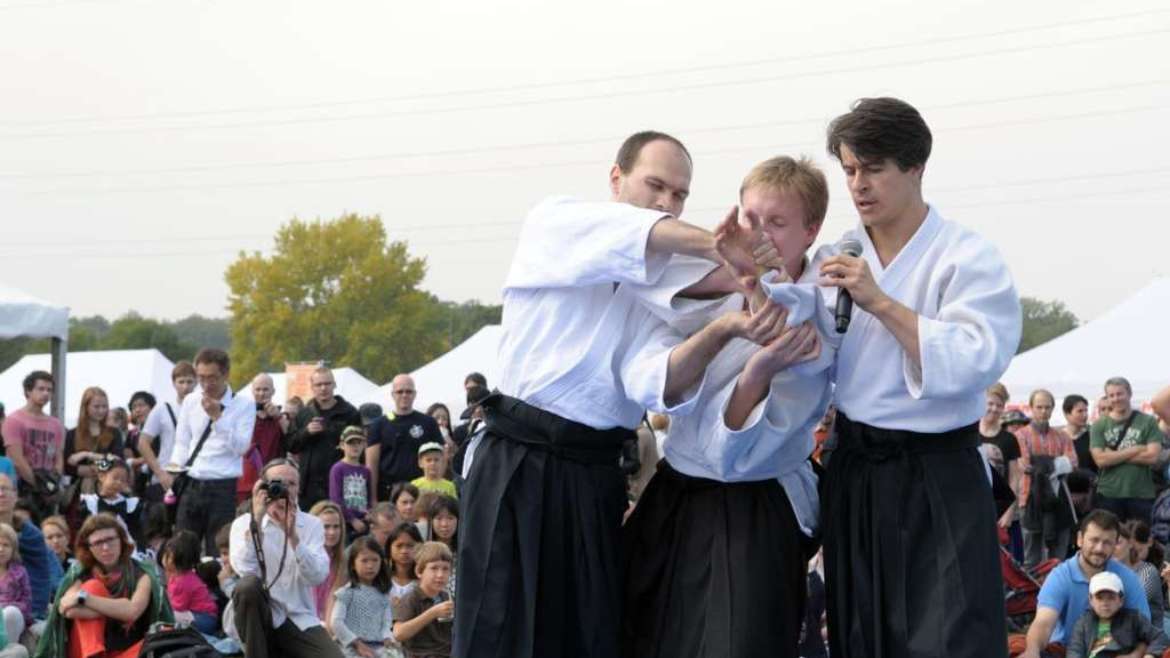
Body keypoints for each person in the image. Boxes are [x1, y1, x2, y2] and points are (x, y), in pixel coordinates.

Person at [454, 131, 767, 658]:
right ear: (616, 178)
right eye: (656, 185)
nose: (667, 202)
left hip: (594, 471)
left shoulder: (665, 289)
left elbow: (654, 382)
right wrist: (715, 245)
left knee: (586, 632)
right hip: (515, 461)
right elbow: (646, 233)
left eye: (680, 195)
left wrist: (720, 330)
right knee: (498, 627)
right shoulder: (554, 223)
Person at [813, 98, 1022, 658]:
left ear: (915, 167)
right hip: (857, 472)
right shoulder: (835, 256)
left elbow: (979, 356)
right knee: (864, 631)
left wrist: (880, 301)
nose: (859, 184)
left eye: (874, 168)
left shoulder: (966, 257)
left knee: (950, 634)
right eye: (850, 169)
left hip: (939, 474)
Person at [620, 154, 831, 658]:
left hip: (756, 502)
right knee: (646, 631)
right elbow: (654, 374)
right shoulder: (710, 283)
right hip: (678, 492)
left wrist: (756, 370)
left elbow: (745, 438)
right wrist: (732, 293)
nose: (759, 235)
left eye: (777, 224)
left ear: (811, 230)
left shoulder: (821, 302)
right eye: (750, 219)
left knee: (740, 642)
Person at [224, 459, 342, 658]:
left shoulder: (312, 524)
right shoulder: (244, 523)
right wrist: (258, 519)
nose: (285, 490)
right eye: (278, 484)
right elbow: (244, 569)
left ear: (299, 488)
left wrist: (293, 537)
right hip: (259, 616)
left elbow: (317, 576)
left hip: (298, 617)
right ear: (263, 487)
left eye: (292, 484)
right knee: (247, 586)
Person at [34, 513, 172, 658]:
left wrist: (85, 598)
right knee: (93, 586)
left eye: (110, 540)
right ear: (89, 548)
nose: (106, 548)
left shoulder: (141, 573)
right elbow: (67, 609)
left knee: (166, 636)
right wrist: (118, 610)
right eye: (98, 543)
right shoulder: (81, 573)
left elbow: (132, 611)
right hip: (84, 652)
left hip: (129, 652)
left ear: (121, 540)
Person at [1021, 509, 1150, 657]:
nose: (1099, 548)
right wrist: (1032, 651)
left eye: (1107, 543)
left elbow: (1144, 631)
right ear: (1080, 539)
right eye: (1094, 540)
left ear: (1115, 545)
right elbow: (1043, 623)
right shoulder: (1060, 577)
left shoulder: (1127, 578)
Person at [170, 348, 256, 556]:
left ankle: (214, 589)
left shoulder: (244, 404)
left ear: (225, 374)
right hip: (191, 482)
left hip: (223, 486)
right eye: (201, 378)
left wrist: (219, 417)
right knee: (182, 551)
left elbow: (242, 447)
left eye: (212, 378)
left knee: (217, 552)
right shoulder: (191, 400)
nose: (206, 384)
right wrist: (172, 473)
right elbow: (182, 441)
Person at [1016, 389, 1078, 567]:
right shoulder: (1021, 435)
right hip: (1029, 500)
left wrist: (1041, 464)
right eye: (1039, 407)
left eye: (1047, 407)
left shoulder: (1062, 435)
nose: (1044, 411)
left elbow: (1073, 463)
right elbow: (1025, 465)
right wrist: (1056, 463)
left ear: (1052, 409)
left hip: (1058, 499)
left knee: (1057, 555)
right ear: (1031, 408)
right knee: (1031, 556)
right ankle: (1031, 594)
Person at [1091, 376, 1162, 523]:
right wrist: (1136, 449)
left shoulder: (1148, 422)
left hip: (1141, 494)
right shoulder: (1099, 425)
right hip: (1109, 494)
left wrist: (1113, 456)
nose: (1116, 398)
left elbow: (1152, 457)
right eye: (1111, 395)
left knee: (1140, 543)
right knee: (1111, 541)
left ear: (1129, 393)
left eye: (1120, 393)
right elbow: (1100, 460)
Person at [288, 367, 361, 512]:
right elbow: (290, 445)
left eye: (327, 384)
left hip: (342, 482)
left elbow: (360, 448)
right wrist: (306, 432)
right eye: (318, 385)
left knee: (339, 527)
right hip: (309, 487)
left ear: (334, 385)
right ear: (312, 387)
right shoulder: (304, 414)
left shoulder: (349, 413)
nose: (323, 388)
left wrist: (331, 431)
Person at [366, 377, 442, 501]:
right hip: (388, 492)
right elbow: (371, 464)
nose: (404, 395)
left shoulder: (428, 422)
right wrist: (372, 499)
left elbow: (441, 457)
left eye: (408, 391)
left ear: (415, 394)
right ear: (392, 394)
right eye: (400, 392)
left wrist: (435, 486)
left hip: (421, 491)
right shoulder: (379, 424)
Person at [0, 475, 60, 628]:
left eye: (5, 489)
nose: (1, 494)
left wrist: (33, 612)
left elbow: (40, 579)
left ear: (16, 495)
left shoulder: (31, 535)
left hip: (22, 611)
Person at [63, 387, 125, 530]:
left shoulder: (113, 433)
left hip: (107, 491)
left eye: (104, 406)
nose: (101, 410)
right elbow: (68, 466)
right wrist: (103, 462)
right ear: (86, 407)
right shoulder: (72, 434)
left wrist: (87, 455)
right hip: (79, 493)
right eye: (96, 406)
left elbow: (117, 462)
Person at [1065, 571, 1165, 658]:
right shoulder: (1083, 622)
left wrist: (1150, 655)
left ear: (1121, 600)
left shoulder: (1133, 618)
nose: (1105, 603)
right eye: (1099, 598)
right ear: (1091, 600)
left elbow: (1159, 637)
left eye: (1111, 598)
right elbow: (1074, 650)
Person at [137, 361, 197, 505]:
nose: (185, 387)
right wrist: (160, 473)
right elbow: (143, 442)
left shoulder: (204, 407)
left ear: (196, 382)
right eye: (181, 382)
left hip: (195, 477)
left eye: (189, 382)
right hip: (166, 476)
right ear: (174, 383)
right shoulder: (162, 409)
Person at [330, 536, 396, 658]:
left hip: (377, 646)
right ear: (353, 564)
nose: (370, 566)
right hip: (350, 647)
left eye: (375, 560)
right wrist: (356, 643)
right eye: (364, 561)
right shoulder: (347, 593)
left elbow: (386, 623)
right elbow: (336, 622)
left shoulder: (383, 595)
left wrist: (387, 637)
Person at [2, 372, 65, 497]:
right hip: (21, 486)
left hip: (48, 485)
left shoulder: (56, 424)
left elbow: (58, 457)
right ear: (28, 391)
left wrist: (53, 481)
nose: (46, 393)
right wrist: (38, 484)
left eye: (49, 390)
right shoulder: (14, 420)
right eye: (41, 389)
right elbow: (16, 459)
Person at [392, 542, 454, 658]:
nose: (440, 575)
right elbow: (398, 633)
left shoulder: (447, 597)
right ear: (419, 571)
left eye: (445, 569)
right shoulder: (411, 598)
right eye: (434, 568)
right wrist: (432, 613)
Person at [238, 374, 288, 505]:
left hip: (273, 479)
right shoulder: (243, 415)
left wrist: (278, 417)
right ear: (252, 391)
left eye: (265, 389)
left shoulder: (281, 416)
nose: (261, 393)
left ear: (273, 391)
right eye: (258, 389)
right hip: (246, 481)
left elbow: (292, 438)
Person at [160, 530, 219, 635]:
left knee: (169, 615)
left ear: (176, 562)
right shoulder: (179, 576)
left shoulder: (183, 582)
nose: (164, 558)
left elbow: (177, 607)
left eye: (167, 556)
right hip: (202, 616)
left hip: (204, 619)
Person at [77, 458, 144, 549]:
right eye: (115, 478)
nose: (119, 483)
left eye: (123, 480)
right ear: (101, 476)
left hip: (125, 547)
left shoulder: (131, 505)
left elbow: (137, 532)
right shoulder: (89, 502)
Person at [1115, 520, 1164, 630]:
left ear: (1129, 544)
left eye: (1118, 542)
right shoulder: (1108, 570)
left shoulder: (1147, 571)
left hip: (1150, 639)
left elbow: (1133, 603)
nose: (1113, 548)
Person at [329, 426, 374, 537]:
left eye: (359, 442)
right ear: (342, 445)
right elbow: (335, 499)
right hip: (345, 523)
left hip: (363, 522)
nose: (355, 446)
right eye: (351, 443)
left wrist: (369, 513)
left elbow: (368, 496)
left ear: (364, 445)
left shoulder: (366, 470)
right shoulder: (338, 468)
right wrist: (352, 520)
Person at [308, 500, 347, 624]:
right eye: (326, 527)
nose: (332, 532)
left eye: (336, 527)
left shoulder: (343, 561)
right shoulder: (305, 558)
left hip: (331, 624)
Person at [0, 523, 31, 655]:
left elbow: (27, 602)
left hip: (12, 617)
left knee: (10, 613)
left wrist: (3, 607)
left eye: (6, 545)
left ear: (13, 549)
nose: (1, 549)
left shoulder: (20, 572)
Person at [426, 496, 458, 600]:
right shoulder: (424, 552)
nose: (444, 524)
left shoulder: (466, 553)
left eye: (450, 518)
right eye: (439, 518)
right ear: (431, 521)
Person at [387, 523, 422, 607]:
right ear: (389, 548)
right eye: (399, 546)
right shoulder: (381, 579)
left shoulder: (425, 580)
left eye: (410, 546)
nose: (404, 551)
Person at [1062, 394, 1097, 474]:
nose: (1085, 415)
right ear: (1067, 414)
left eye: (1086, 411)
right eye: (1080, 411)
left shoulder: (1092, 435)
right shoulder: (1058, 438)